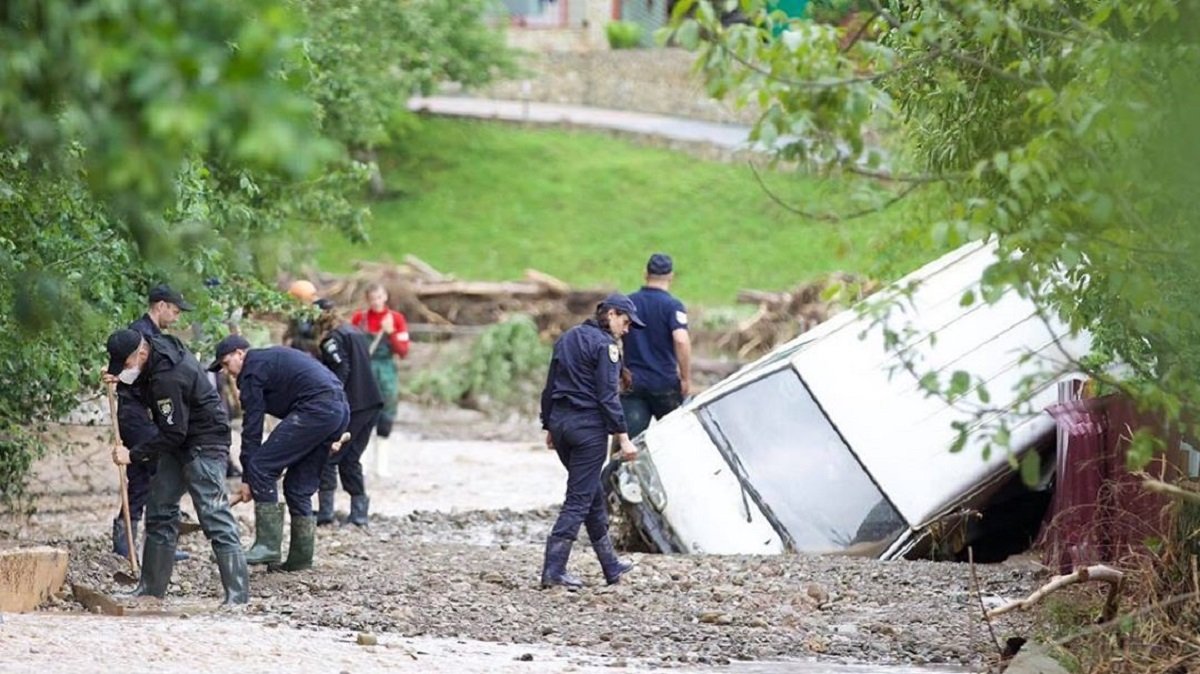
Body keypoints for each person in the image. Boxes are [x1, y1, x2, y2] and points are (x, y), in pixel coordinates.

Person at [104, 328, 248, 604]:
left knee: (213, 515)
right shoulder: (154, 351)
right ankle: (150, 590)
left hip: (205, 441)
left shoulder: (168, 376)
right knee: (159, 508)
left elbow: (172, 432)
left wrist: (133, 455)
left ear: (142, 353)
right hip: (179, 439)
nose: (124, 370)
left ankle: (237, 597)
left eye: (125, 365)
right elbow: (145, 388)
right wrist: (121, 380)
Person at [209, 335, 350, 571]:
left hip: (316, 409)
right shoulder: (268, 360)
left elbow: (252, 430)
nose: (225, 371)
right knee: (297, 487)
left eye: (225, 363)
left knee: (261, 465)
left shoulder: (252, 371)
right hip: (338, 410)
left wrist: (249, 477)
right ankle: (301, 558)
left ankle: (267, 545)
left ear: (240, 354)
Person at [538, 293, 642, 589]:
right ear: (610, 314)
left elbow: (550, 387)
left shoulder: (567, 338)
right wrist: (624, 438)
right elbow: (608, 396)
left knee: (592, 492)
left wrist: (549, 426)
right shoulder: (606, 347)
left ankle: (611, 566)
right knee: (579, 499)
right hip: (588, 430)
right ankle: (554, 570)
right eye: (625, 321)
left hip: (562, 426)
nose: (627, 328)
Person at [111, 284, 196, 562]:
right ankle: (148, 540)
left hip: (142, 413)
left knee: (142, 473)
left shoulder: (155, 334)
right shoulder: (140, 335)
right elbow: (131, 376)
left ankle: (134, 541)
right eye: (174, 310)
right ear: (160, 305)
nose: (177, 317)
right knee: (155, 469)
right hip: (136, 414)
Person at [311, 304, 384, 527]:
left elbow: (341, 370)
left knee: (329, 454)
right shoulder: (355, 332)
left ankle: (326, 512)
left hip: (353, 406)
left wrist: (331, 401)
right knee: (350, 459)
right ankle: (358, 513)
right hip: (371, 402)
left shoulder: (332, 340)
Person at [621, 253, 692, 437]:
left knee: (627, 444)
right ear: (671, 276)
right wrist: (685, 377)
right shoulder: (673, 306)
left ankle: (616, 466)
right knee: (677, 440)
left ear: (645, 273)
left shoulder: (628, 303)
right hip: (664, 384)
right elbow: (681, 339)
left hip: (632, 383)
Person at [350, 284, 409, 440]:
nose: (376, 302)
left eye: (379, 297)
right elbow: (350, 347)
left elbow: (403, 351)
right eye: (372, 299)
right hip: (363, 368)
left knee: (388, 404)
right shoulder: (359, 319)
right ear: (367, 300)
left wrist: (391, 332)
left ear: (385, 297)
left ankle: (384, 437)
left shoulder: (396, 319)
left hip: (386, 368)